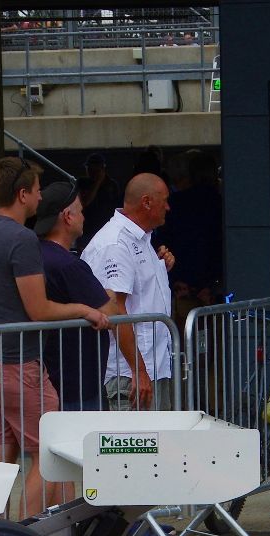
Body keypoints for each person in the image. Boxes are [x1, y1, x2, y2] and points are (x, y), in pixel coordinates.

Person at [0, 157, 110, 516]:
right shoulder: (21, 239)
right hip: (17, 365)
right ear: (22, 194)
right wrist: (83, 309)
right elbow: (39, 310)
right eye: (35, 190)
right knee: (52, 455)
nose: (40, 197)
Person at [81, 173, 175, 410]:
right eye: (164, 200)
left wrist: (160, 266)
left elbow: (138, 294)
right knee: (136, 446)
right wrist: (139, 371)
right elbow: (115, 308)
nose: (168, 206)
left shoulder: (140, 239)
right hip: (131, 375)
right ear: (146, 202)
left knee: (158, 445)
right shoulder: (116, 243)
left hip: (152, 367)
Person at [30, 181, 114, 413]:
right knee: (81, 446)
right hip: (77, 382)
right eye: (81, 211)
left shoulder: (33, 254)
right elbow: (110, 310)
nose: (84, 217)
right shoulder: (68, 265)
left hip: (47, 375)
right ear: (68, 216)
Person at [157, 149, 224, 311]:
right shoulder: (221, 204)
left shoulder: (176, 202)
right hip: (213, 287)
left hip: (183, 285)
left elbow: (164, 243)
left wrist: (175, 279)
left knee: (183, 332)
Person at [76, 153, 119, 246]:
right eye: (89, 169)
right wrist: (97, 183)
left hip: (106, 229)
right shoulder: (83, 183)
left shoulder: (111, 185)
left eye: (94, 170)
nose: (91, 172)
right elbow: (85, 202)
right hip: (87, 230)